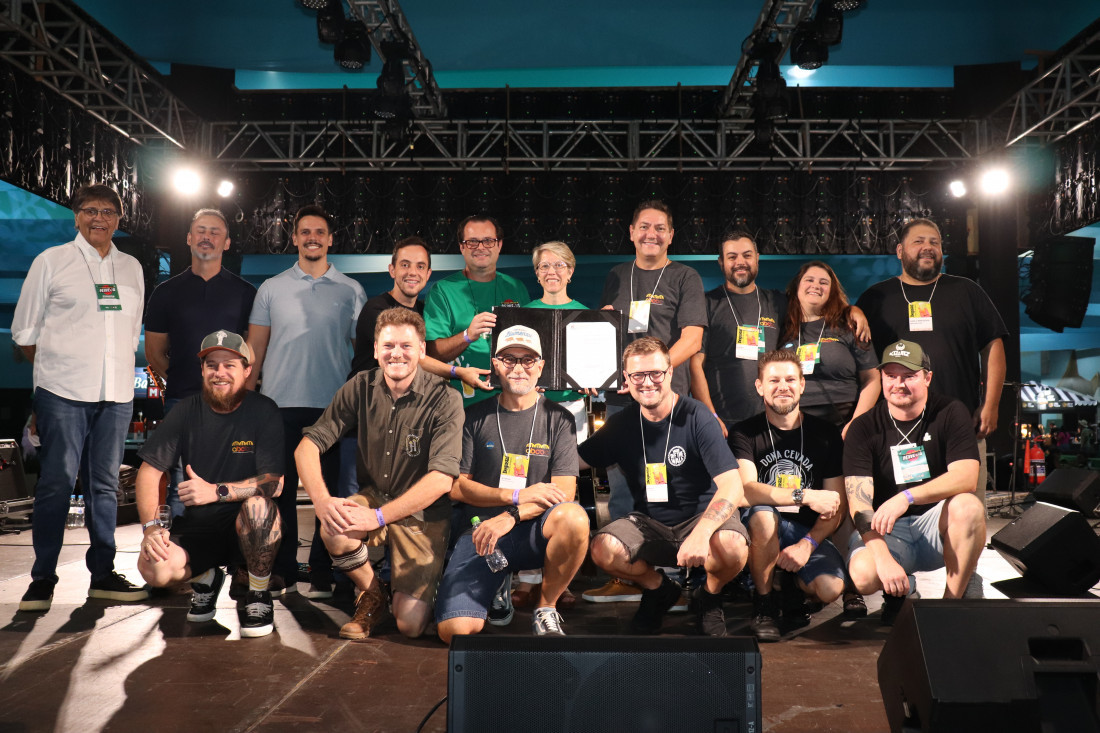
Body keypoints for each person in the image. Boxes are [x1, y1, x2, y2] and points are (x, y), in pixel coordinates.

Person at [320, 236, 487, 600]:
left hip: (408, 421)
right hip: (365, 426)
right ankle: (357, 590)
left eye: (420, 266)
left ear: (428, 273)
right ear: (391, 269)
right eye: (405, 264)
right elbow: (418, 357)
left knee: (406, 502)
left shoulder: (423, 312)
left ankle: (396, 581)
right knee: (347, 513)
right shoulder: (376, 309)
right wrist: (458, 371)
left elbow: (427, 351)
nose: (413, 272)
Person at [12, 182, 149, 612]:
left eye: (108, 212)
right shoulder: (51, 262)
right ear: (76, 216)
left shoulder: (131, 268)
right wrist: (51, 379)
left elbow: (131, 331)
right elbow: (24, 333)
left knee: (105, 487)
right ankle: (42, 579)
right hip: (64, 394)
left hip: (116, 395)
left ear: (118, 219)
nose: (99, 219)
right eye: (90, 210)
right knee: (56, 484)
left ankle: (103, 575)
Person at [295, 308, 463, 639]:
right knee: (334, 527)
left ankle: (426, 585)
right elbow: (306, 447)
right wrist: (323, 502)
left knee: (410, 625)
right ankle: (373, 594)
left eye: (406, 345)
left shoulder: (446, 399)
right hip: (374, 496)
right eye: (388, 346)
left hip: (423, 511)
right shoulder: (360, 386)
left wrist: (378, 517)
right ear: (375, 350)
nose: (396, 354)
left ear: (422, 349)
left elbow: (441, 480)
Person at [578, 337, 750, 636]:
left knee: (733, 546)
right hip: (649, 524)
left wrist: (701, 534)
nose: (647, 382)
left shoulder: (698, 417)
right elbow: (574, 461)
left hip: (700, 520)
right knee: (603, 550)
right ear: (626, 379)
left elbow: (733, 486)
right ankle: (659, 589)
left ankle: (709, 595)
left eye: (655, 373)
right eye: (638, 375)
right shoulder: (622, 424)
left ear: (670, 372)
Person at [585, 201, 707, 604]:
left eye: (659, 228)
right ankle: (629, 575)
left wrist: (652, 374)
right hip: (622, 401)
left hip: (668, 402)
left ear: (671, 235)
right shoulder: (618, 276)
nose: (651, 234)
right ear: (631, 232)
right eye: (643, 227)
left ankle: (677, 575)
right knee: (622, 488)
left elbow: (692, 338)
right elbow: (605, 333)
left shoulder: (685, 276)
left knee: (671, 484)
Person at [436, 326, 589, 641]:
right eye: (509, 359)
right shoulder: (473, 417)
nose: (519, 368)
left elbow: (565, 492)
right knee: (455, 632)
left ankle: (546, 607)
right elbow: (457, 488)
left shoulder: (559, 419)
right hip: (482, 532)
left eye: (528, 360)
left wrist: (512, 515)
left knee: (574, 518)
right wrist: (516, 495)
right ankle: (497, 579)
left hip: (534, 530)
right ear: (495, 364)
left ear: (541, 366)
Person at [246, 205, 367, 594]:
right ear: (295, 238)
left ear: (330, 239)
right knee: (279, 492)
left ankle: (321, 571)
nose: (312, 237)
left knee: (327, 496)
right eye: (305, 232)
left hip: (333, 410)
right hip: (277, 406)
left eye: (319, 232)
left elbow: (362, 355)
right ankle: (282, 569)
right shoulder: (271, 288)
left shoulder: (352, 290)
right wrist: (247, 402)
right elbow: (255, 350)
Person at [135, 331, 284, 637]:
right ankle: (206, 578)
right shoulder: (186, 410)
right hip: (200, 527)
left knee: (259, 508)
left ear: (247, 370)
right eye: (212, 365)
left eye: (230, 365)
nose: (220, 372)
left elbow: (274, 484)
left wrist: (215, 491)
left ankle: (258, 593)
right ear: (202, 370)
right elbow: (149, 471)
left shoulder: (264, 410)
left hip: (247, 526)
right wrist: (151, 528)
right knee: (154, 568)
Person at [855, 217, 1008, 502]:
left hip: (959, 423)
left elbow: (993, 346)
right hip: (896, 428)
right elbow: (860, 360)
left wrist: (992, 404)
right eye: (919, 241)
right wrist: (852, 310)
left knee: (965, 507)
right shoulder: (876, 297)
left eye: (934, 242)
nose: (928, 247)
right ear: (900, 251)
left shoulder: (967, 291)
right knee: (900, 510)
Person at [844, 339, 986, 625]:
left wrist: (906, 497)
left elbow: (967, 476)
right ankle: (904, 589)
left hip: (936, 526)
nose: (899, 384)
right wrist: (883, 560)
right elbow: (859, 504)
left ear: (927, 377)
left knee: (968, 507)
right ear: (881, 377)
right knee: (863, 575)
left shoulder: (951, 411)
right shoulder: (863, 427)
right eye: (891, 376)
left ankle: (951, 604)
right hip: (888, 529)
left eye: (909, 376)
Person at [144, 208, 257, 518]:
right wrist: (187, 379)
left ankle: (228, 547)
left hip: (232, 404)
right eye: (201, 231)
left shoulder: (246, 294)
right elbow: (154, 353)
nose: (207, 237)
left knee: (232, 480)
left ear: (227, 243)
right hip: (181, 401)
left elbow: (252, 351)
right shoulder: (165, 293)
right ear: (189, 238)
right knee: (182, 483)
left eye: (215, 232)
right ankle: (182, 546)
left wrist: (229, 387)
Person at [729, 350, 847, 642]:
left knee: (830, 589)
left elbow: (836, 505)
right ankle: (764, 603)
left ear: (802, 385)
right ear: (760, 387)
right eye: (774, 380)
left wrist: (807, 545)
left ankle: (790, 585)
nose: (783, 386)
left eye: (790, 380)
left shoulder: (826, 434)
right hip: (761, 528)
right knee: (763, 515)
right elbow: (746, 491)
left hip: (806, 530)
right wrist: (804, 496)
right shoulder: (744, 432)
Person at [516, 240, 593, 610]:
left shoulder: (587, 315)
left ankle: (559, 581)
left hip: (572, 410)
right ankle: (527, 577)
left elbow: (596, 369)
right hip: (531, 409)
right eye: (544, 266)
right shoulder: (524, 315)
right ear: (536, 273)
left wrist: (594, 379)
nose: (552, 272)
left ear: (571, 271)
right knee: (527, 486)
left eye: (559, 265)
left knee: (566, 492)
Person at [424, 215, 529, 407]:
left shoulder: (516, 288)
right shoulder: (443, 291)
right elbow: (433, 353)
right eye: (472, 241)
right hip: (460, 405)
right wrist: (467, 335)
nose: (480, 247)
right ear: (462, 247)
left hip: (511, 402)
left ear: (499, 245)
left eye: (488, 241)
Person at [690, 231, 786, 437]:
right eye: (732, 257)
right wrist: (710, 417)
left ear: (757, 258)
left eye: (747, 255)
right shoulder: (706, 304)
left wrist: (852, 311)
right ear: (721, 262)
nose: (740, 262)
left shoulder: (777, 302)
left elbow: (818, 311)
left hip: (770, 421)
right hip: (723, 424)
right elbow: (695, 365)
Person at [780, 261, 879, 436]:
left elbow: (872, 379)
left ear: (831, 291)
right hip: (792, 422)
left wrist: (856, 423)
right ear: (797, 286)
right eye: (809, 280)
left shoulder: (850, 325)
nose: (816, 286)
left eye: (823, 282)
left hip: (843, 421)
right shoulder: (781, 325)